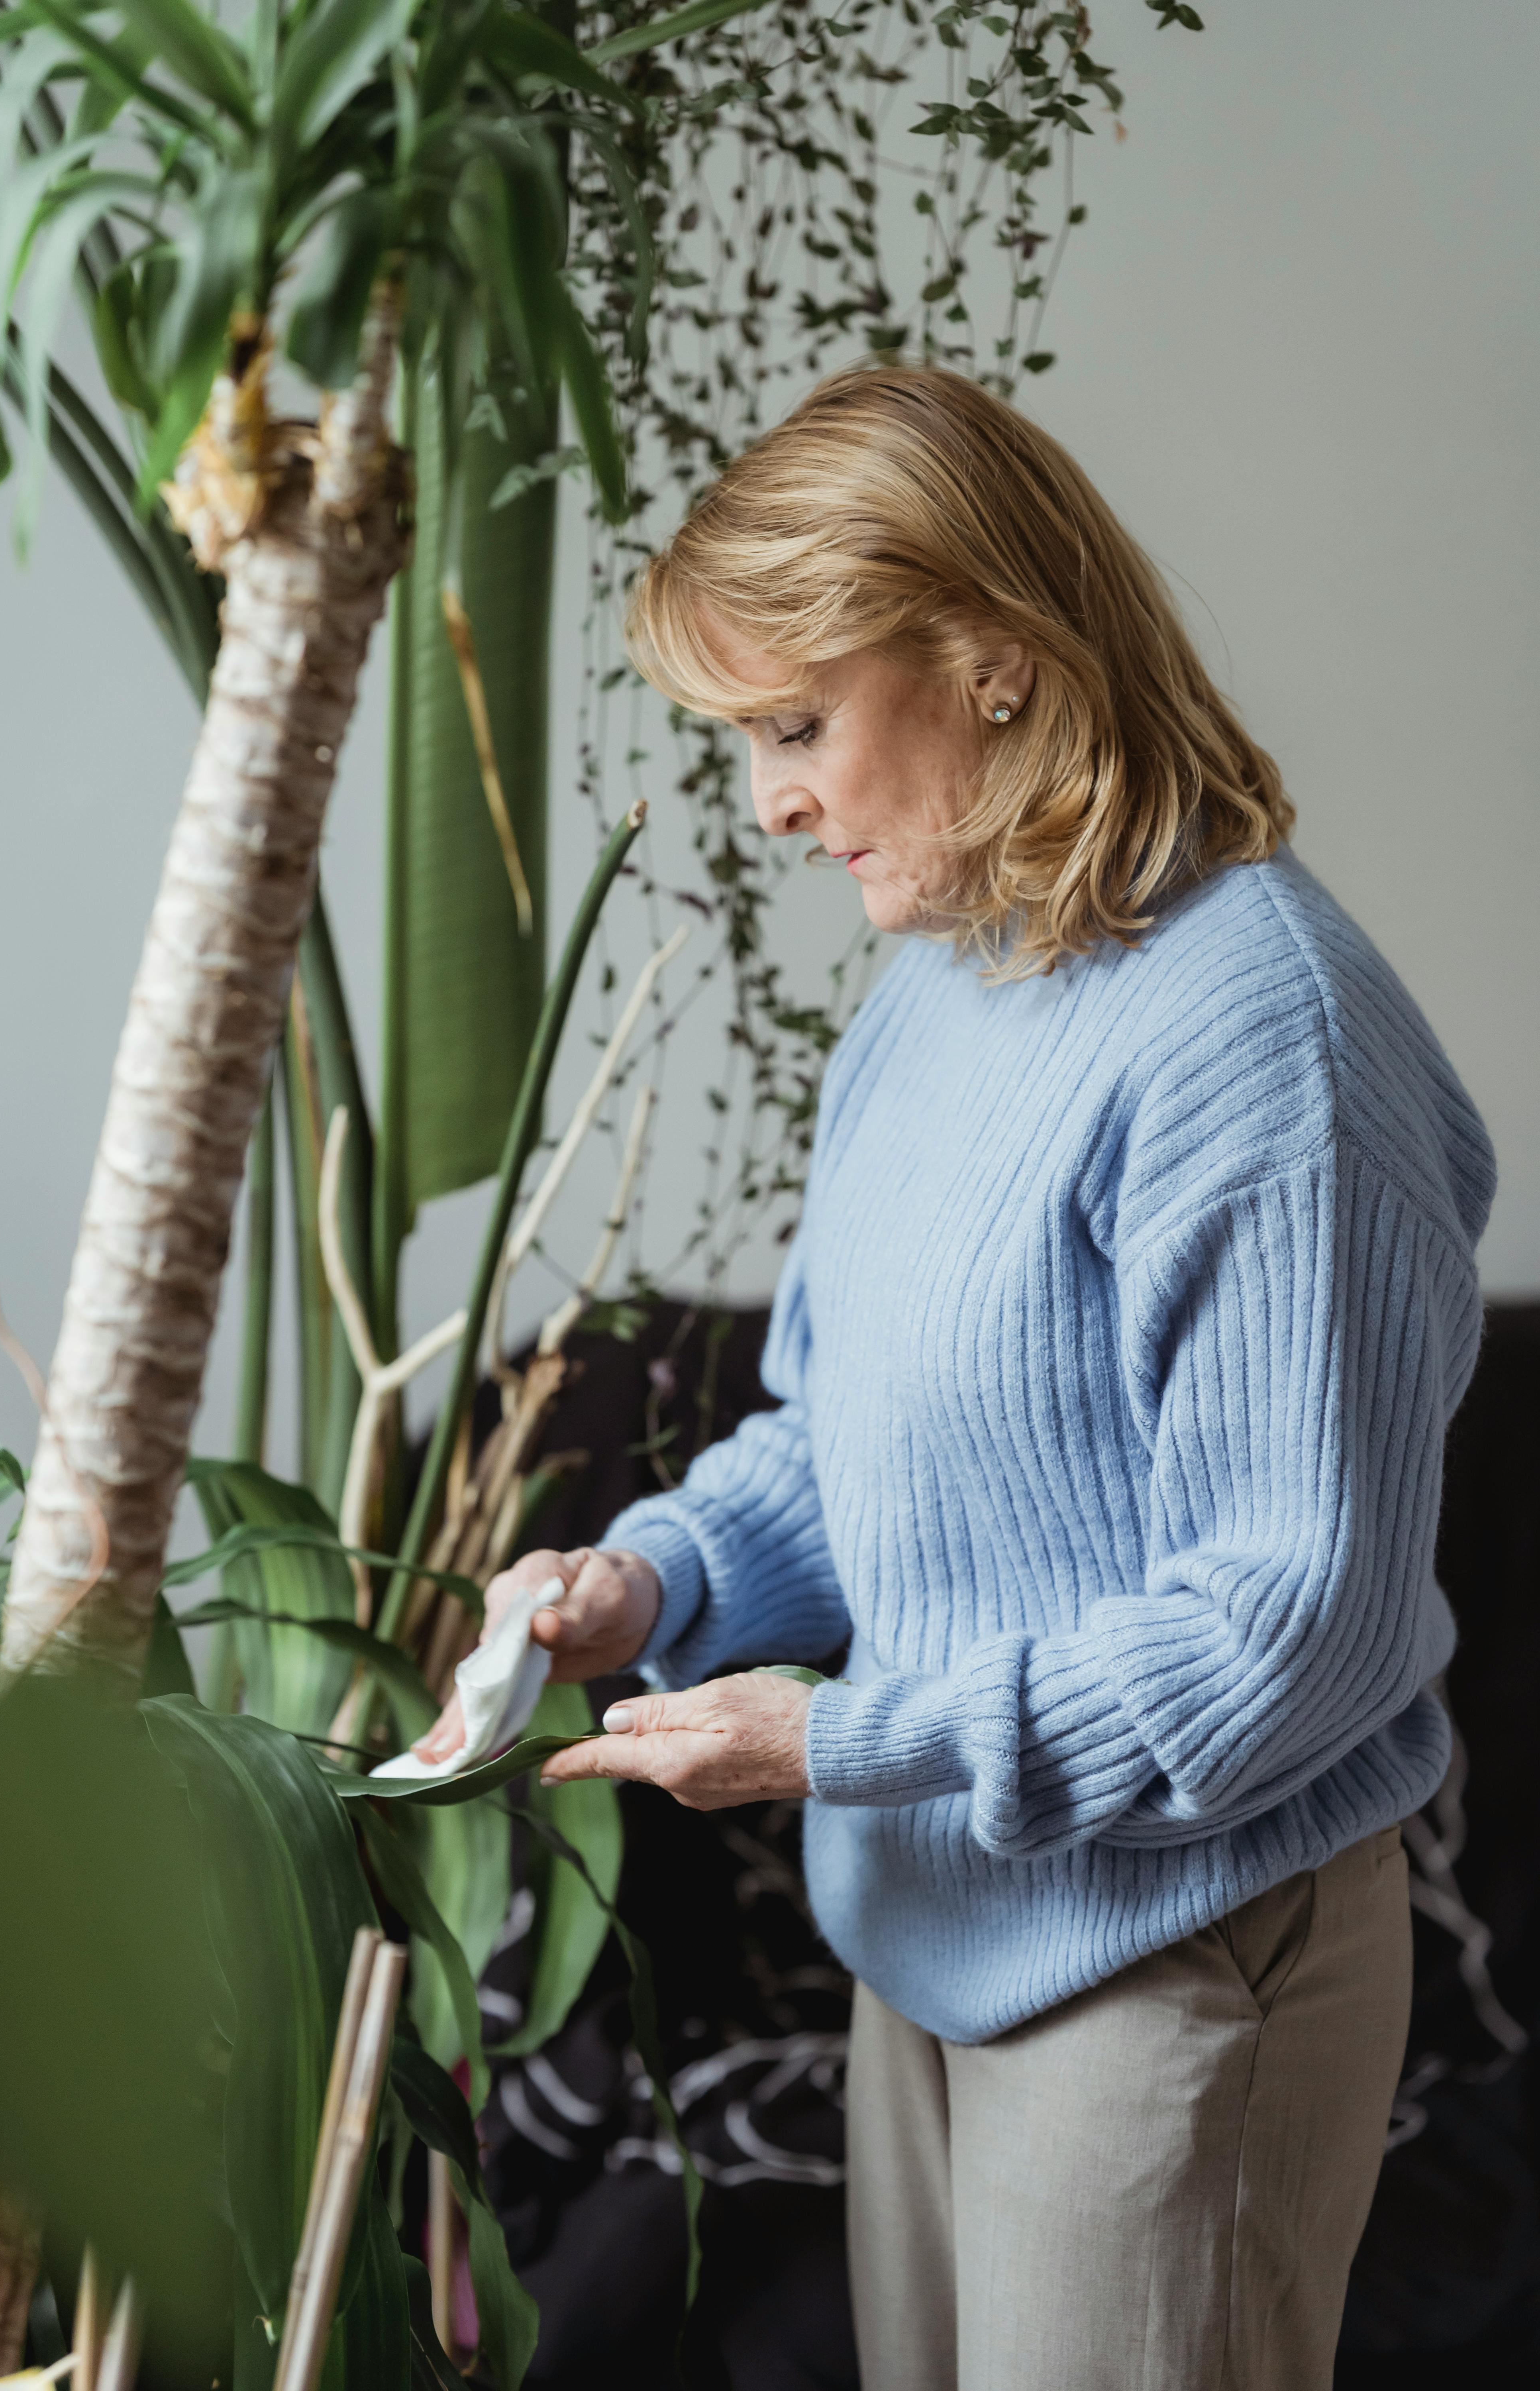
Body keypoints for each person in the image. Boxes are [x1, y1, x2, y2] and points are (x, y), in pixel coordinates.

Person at [414, 364, 1495, 2391]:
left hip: (1166, 1968)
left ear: (994, 659)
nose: (769, 801)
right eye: (748, 740)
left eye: (796, 726)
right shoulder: (944, 982)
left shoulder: (1270, 1046)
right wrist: (647, 1585)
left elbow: (1289, 1634)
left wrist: (837, 1740)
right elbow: (858, 1439)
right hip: (932, 1926)